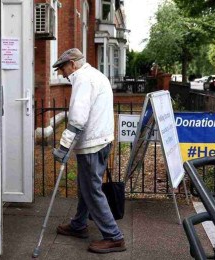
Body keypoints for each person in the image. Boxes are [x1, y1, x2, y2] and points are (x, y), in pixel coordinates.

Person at [52, 48, 125, 254]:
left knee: (92, 190)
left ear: (72, 64)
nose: (62, 74)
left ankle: (114, 236)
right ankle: (79, 224)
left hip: (93, 143)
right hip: (101, 139)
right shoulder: (96, 75)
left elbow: (76, 118)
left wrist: (64, 147)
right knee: (86, 186)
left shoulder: (83, 79)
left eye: (63, 68)